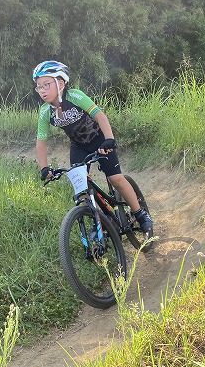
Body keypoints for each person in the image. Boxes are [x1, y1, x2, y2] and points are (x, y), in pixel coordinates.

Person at [33, 60, 153, 235]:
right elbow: (41, 141)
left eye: (46, 84)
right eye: (39, 87)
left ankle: (140, 214)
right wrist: (44, 168)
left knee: (116, 179)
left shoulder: (75, 96)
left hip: (99, 139)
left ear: (61, 83)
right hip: (79, 147)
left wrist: (109, 139)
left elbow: (99, 115)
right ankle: (98, 221)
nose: (42, 90)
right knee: (81, 189)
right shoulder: (45, 111)